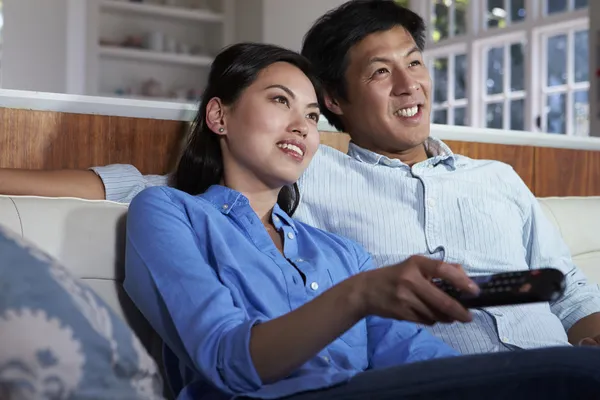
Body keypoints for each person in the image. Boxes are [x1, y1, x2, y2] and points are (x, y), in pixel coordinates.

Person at [1, 0, 600, 353]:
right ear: (336, 100)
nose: (408, 84)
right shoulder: (306, 171)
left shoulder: (498, 177)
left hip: (554, 365)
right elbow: (160, 188)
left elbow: (571, 293)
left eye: (415, 63)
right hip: (444, 375)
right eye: (380, 72)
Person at [123, 41, 600, 400]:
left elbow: (423, 361)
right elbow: (228, 362)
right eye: (278, 101)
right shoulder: (170, 213)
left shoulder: (340, 253)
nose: (301, 126)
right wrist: (357, 296)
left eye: (311, 115)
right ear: (218, 117)